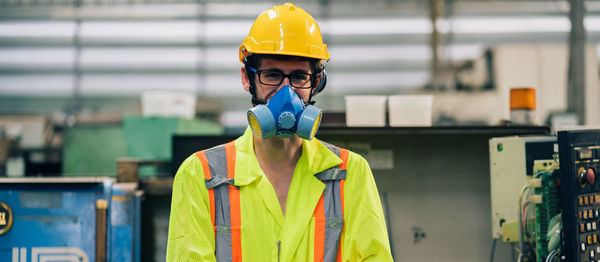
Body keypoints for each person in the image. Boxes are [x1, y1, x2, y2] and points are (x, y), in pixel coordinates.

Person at [166, 3, 393, 261]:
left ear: (315, 83)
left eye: (298, 77)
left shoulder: (349, 174)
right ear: (246, 78)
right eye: (272, 75)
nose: (286, 92)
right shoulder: (202, 175)